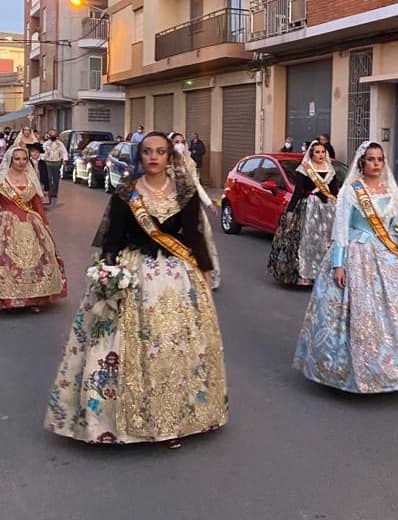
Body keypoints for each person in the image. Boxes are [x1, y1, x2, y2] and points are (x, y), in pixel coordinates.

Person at [44, 132, 228, 447]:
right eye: (147, 152)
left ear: (169, 157)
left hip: (177, 279)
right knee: (121, 347)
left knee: (176, 348)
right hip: (134, 274)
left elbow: (195, 234)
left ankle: (173, 422)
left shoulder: (184, 192)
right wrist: (108, 270)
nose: (153, 157)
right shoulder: (126, 193)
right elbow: (112, 236)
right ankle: (115, 423)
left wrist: (205, 268)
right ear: (139, 156)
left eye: (160, 152)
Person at [293, 141, 398, 393]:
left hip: (389, 251)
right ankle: (349, 368)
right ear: (362, 163)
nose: (376, 164)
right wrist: (338, 264)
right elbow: (341, 228)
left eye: (380, 159)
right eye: (371, 159)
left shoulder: (390, 189)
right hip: (358, 251)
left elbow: (396, 222)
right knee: (360, 311)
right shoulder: (351, 191)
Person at [0, 146, 66, 311]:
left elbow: (37, 205)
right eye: (17, 159)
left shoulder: (31, 179)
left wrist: (45, 224)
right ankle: (7, 298)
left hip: (31, 223)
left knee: (36, 261)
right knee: (7, 262)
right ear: (10, 160)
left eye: (24, 158)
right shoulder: (2, 180)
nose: (21, 162)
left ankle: (34, 299)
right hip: (7, 224)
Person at [268, 140, 341, 286]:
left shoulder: (330, 169)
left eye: (322, 152)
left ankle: (326, 272)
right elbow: (298, 192)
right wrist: (289, 211)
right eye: (317, 152)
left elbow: (335, 191)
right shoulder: (304, 169)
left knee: (328, 241)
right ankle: (307, 273)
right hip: (310, 208)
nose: (320, 155)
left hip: (328, 209)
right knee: (309, 241)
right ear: (311, 154)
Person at [169, 131, 222, 289]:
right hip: (172, 210)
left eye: (182, 141)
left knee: (204, 240)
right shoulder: (166, 163)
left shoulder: (190, 163)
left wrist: (208, 203)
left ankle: (209, 274)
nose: (179, 144)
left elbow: (196, 185)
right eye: (176, 141)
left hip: (192, 209)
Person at [42, 129, 68, 206]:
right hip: (48, 163)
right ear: (49, 135)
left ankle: (55, 192)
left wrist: (64, 160)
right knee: (49, 178)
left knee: (56, 178)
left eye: (54, 134)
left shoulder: (60, 144)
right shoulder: (46, 144)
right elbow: (42, 152)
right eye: (51, 134)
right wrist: (42, 158)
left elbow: (64, 152)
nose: (53, 136)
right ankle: (50, 192)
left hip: (57, 163)